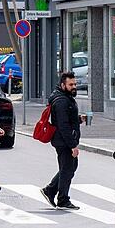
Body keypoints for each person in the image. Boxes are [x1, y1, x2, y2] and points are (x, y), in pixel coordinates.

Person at [41, 72, 83, 210]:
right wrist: (73, 146)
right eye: (71, 84)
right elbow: (63, 125)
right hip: (63, 141)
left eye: (75, 84)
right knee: (67, 169)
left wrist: (78, 119)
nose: (74, 87)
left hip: (64, 139)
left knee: (70, 168)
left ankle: (50, 190)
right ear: (62, 85)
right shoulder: (61, 101)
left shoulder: (65, 98)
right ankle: (62, 199)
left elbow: (67, 120)